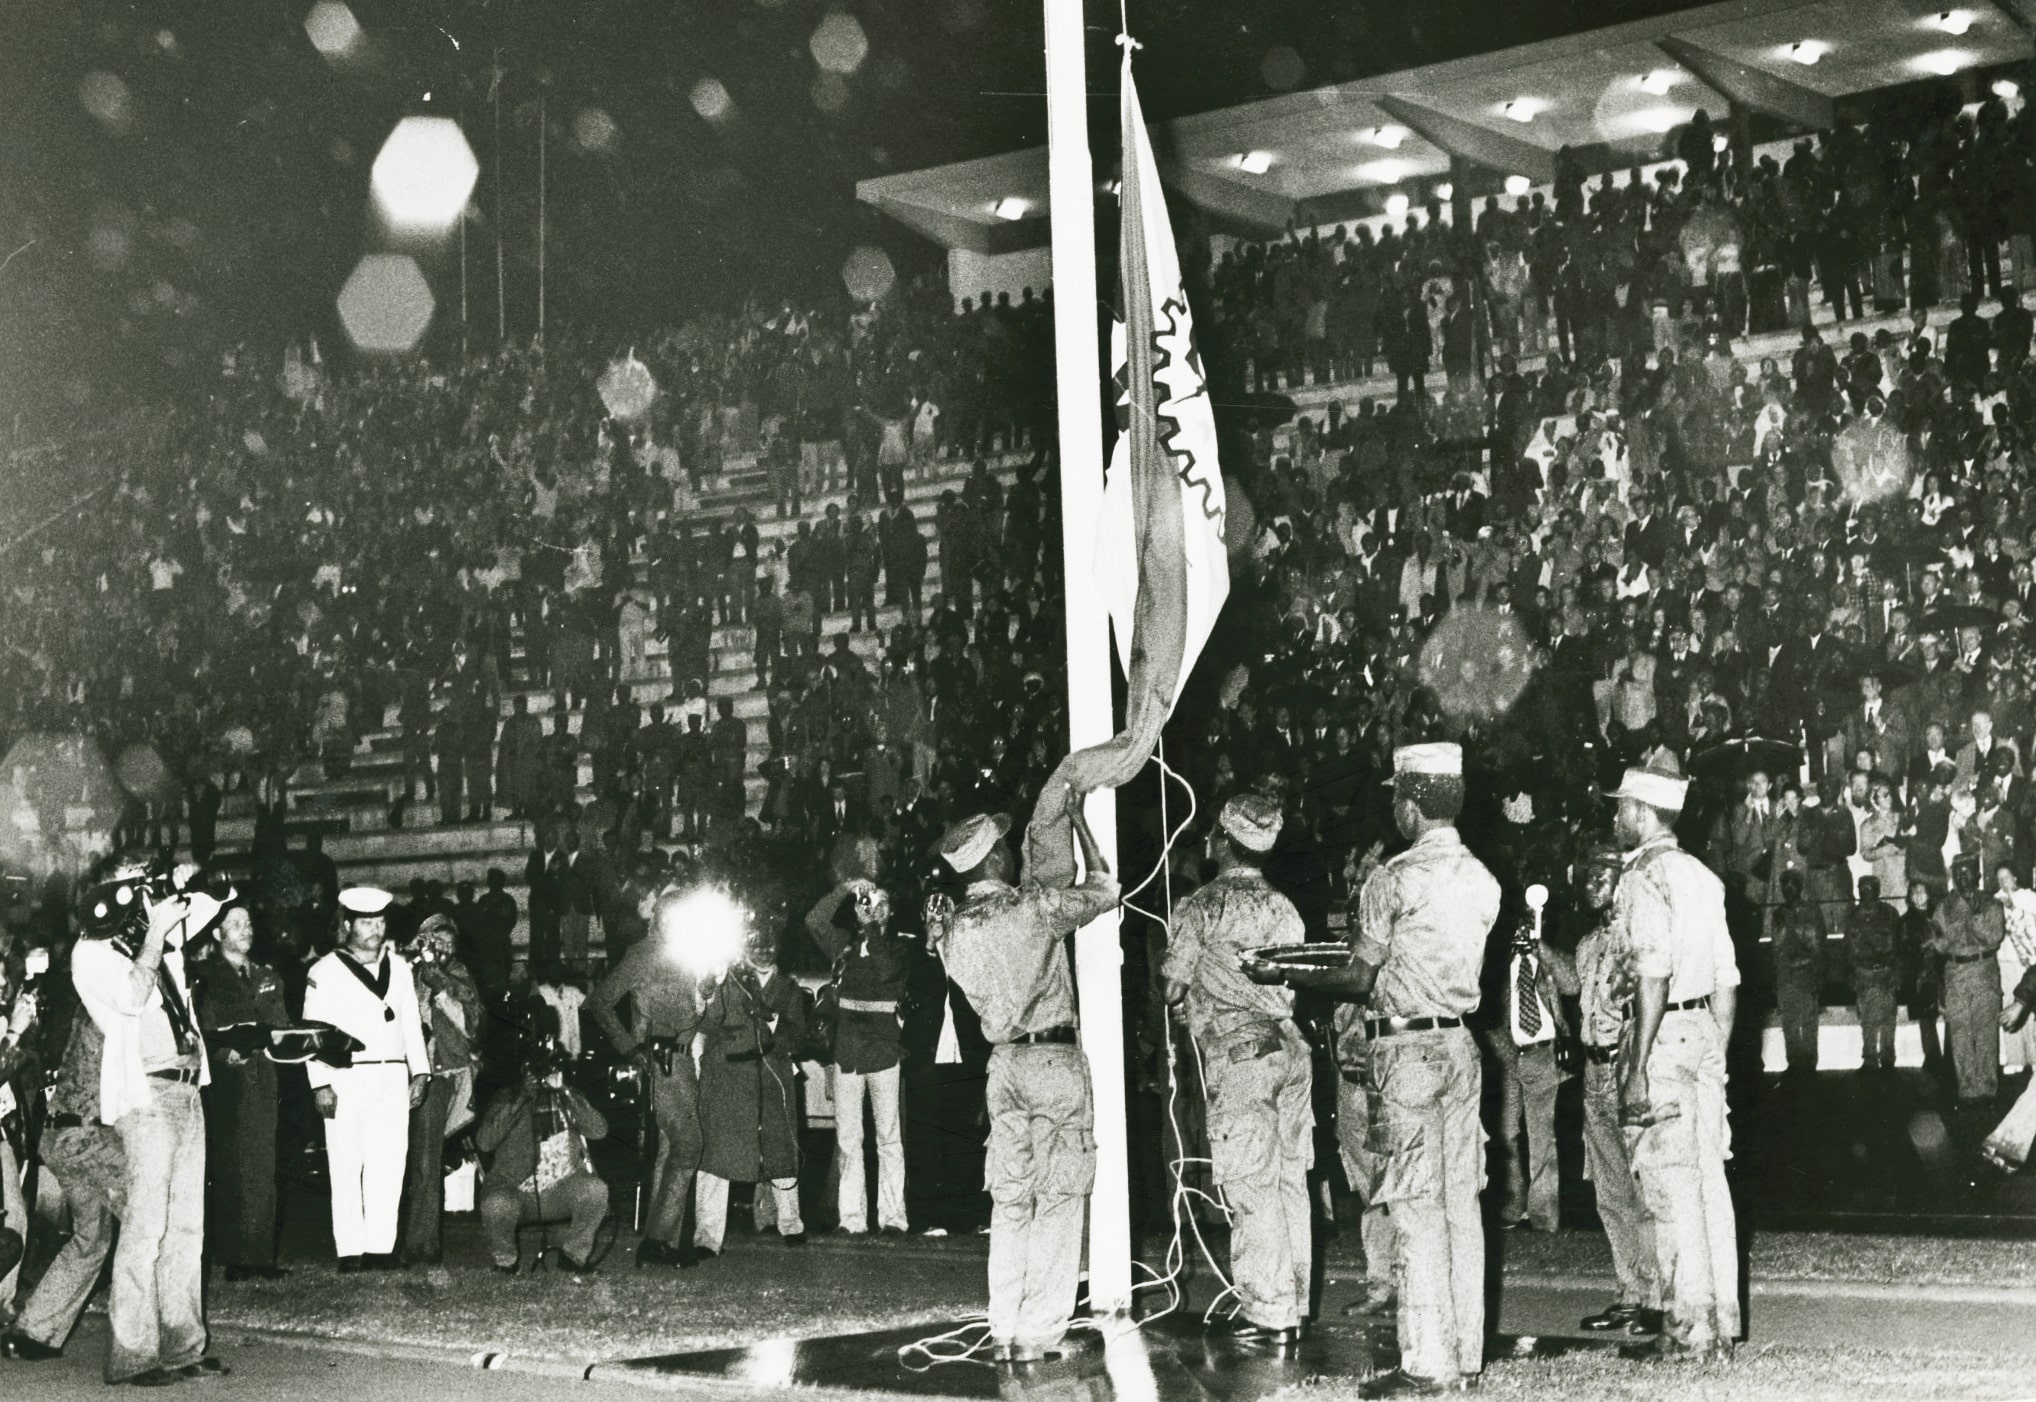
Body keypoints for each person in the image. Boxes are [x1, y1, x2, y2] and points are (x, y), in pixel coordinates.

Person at [1252, 743, 1495, 1398]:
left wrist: (1283, 971)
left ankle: (1427, 1364)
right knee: (1460, 1207)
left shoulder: (1393, 878)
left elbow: (1361, 974)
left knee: (1414, 1209)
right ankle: (1466, 1355)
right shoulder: (1482, 879)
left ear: (1410, 804)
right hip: (1461, 1048)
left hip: (1407, 1053)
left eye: (1396, 796)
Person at [927, 803, 1119, 1365]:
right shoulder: (1033, 909)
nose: (1012, 852)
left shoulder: (952, 931)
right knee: (1059, 1197)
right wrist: (1081, 823)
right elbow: (1105, 888)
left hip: (1003, 1065)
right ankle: (1038, 1334)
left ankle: (1005, 1325)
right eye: (1004, 846)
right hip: (1053, 1058)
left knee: (1009, 1201)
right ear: (993, 856)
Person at [69, 859, 233, 1384]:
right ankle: (132, 1355)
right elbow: (132, 998)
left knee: (188, 1228)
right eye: (139, 883)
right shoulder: (91, 952)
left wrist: (197, 881)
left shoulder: (152, 936)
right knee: (146, 1228)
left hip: (187, 1092)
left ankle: (184, 1345)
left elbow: (214, 901)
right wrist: (157, 932)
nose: (148, 891)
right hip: (146, 1096)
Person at [1159, 793, 1312, 1350]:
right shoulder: (1284, 907)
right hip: (1291, 1052)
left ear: (1222, 841)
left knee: (1252, 1185)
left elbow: (1173, 986)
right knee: (1289, 1180)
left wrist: (1184, 986)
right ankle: (1291, 1302)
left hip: (1243, 1056)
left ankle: (1269, 1315)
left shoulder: (1203, 906)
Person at [1609, 755, 1741, 1363]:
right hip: (1704, 1032)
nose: (1616, 816)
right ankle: (1717, 1324)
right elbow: (1727, 980)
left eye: (1621, 807)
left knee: (1669, 1185)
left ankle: (1686, 1330)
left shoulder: (1644, 880)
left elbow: (1653, 976)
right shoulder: (1704, 876)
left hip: (1659, 1035)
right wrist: (1713, 1049)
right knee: (1710, 1183)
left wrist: (1637, 1067)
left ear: (1641, 811)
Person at [1540, 838, 1663, 1338]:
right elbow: (1575, 985)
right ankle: (1629, 1292)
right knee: (1611, 1192)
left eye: (1603, 874)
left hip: (1624, 1067)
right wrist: (1542, 952)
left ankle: (1656, 1296)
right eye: (1588, 873)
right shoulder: (1592, 942)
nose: (1593, 883)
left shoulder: (1637, 935)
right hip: (1594, 1074)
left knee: (1643, 1187)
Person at [302, 887, 430, 1272]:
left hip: (392, 1074)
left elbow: (411, 1022)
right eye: (366, 923)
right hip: (347, 1076)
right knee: (346, 1164)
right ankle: (350, 1251)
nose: (375, 929)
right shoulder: (324, 970)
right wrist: (319, 1083)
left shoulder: (401, 969)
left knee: (390, 1163)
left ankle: (380, 1249)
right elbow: (313, 1031)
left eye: (380, 921)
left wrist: (420, 1072)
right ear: (347, 926)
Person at [588, 888, 708, 1268]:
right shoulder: (642, 953)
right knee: (689, 1145)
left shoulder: (689, 955)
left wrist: (705, 993)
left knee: (671, 1152)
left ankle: (666, 1244)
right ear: (657, 917)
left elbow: (692, 1014)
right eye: (670, 915)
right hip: (661, 1061)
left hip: (686, 1063)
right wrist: (628, 1046)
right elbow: (601, 1001)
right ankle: (656, 1241)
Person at [2, 1004, 125, 1362]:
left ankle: (33, 1333)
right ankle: (147, 1342)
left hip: (64, 1133)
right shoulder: (117, 1002)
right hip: (93, 1136)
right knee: (150, 1224)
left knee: (92, 1237)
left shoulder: (83, 1006)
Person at [805, 878, 913, 1236]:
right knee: (849, 1138)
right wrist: (844, 888)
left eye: (882, 905)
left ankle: (893, 1217)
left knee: (888, 1138)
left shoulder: (900, 946)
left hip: (884, 1048)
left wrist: (870, 929)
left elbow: (887, 972)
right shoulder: (844, 947)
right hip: (848, 1048)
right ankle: (851, 1217)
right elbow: (814, 921)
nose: (875, 911)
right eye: (869, 904)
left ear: (892, 911)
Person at [191, 905, 292, 1281]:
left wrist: (284, 1038)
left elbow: (281, 1023)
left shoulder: (268, 976)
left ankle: (260, 1254)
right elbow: (200, 1027)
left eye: (248, 922)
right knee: (229, 1163)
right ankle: (233, 1255)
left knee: (264, 1164)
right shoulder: (205, 976)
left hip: (265, 1076)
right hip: (226, 1080)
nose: (246, 929)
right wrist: (220, 1053)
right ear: (217, 934)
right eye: (235, 924)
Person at [695, 932, 808, 1255]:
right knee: (717, 1152)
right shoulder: (725, 977)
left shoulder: (788, 988)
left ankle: (791, 1223)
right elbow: (705, 1022)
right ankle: (706, 1236)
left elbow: (798, 1035)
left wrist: (770, 1021)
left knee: (780, 1146)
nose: (763, 951)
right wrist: (707, 991)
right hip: (728, 1077)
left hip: (772, 1075)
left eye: (770, 944)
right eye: (756, 944)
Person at [475, 1033, 611, 1276]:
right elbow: (485, 1142)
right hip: (517, 1190)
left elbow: (599, 1131)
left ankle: (574, 1257)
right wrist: (521, 1098)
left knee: (595, 1189)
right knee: (496, 1204)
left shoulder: (570, 1096)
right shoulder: (508, 1096)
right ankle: (506, 1262)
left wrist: (567, 1094)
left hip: (562, 1188)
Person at [399, 914, 484, 1267]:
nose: (445, 950)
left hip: (437, 1075)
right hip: (398, 1073)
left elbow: (472, 1026)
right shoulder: (405, 969)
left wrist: (435, 977)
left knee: (424, 1161)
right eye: (438, 942)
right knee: (406, 1161)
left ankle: (421, 1245)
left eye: (451, 944)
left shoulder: (457, 976)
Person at [1929, 855, 2006, 1105]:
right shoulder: (1944, 906)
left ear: (1977, 875)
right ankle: (1968, 1088)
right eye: (1957, 873)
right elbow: (1939, 943)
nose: (1962, 878)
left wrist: (1973, 917)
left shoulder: (1992, 904)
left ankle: (1988, 1088)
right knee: (1960, 1032)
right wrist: (1955, 931)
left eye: (1967, 872)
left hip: (1984, 970)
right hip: (1956, 973)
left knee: (1986, 1032)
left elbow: (1993, 937)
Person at [1844, 875, 1903, 1071]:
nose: (1866, 893)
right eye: (1863, 889)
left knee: (1888, 1017)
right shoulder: (1852, 917)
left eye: (1870, 889)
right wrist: (1851, 974)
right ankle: (1869, 1058)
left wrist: (1897, 972)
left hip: (1886, 971)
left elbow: (1899, 946)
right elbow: (1847, 949)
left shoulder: (1890, 914)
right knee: (1867, 1018)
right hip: (1864, 973)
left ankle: (1888, 1058)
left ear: (1878, 891)